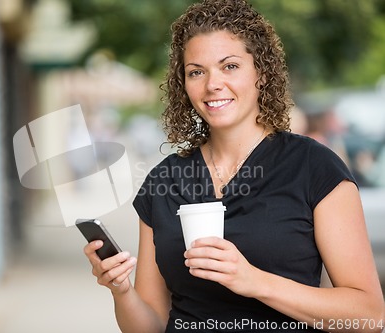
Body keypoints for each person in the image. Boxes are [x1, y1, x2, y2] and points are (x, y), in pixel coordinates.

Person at [83, 0, 385, 332]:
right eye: (196, 71)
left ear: (262, 72)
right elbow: (150, 325)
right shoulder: (163, 181)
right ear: (183, 84)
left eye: (229, 66)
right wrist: (121, 291)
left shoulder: (315, 168)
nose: (212, 84)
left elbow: (369, 315)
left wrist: (253, 280)